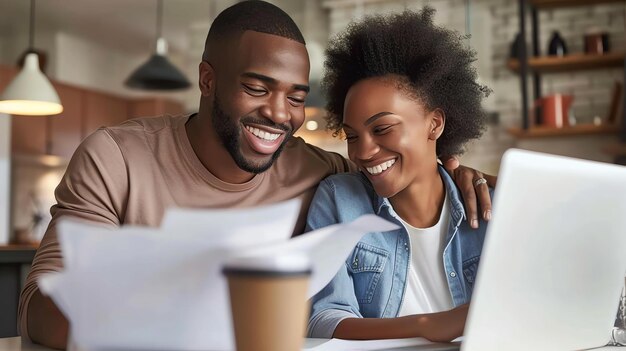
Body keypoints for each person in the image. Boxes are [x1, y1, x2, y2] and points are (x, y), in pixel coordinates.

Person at [18, 2, 494, 349]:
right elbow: (38, 307)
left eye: (295, 97)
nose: (278, 114)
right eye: (256, 87)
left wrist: (458, 170)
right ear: (208, 80)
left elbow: (393, 173)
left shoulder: (314, 169)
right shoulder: (115, 157)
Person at [307, 8, 493, 342]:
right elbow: (323, 317)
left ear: (434, 124)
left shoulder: (486, 204)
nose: (362, 152)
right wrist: (427, 325)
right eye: (351, 136)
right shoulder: (338, 200)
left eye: (382, 128)